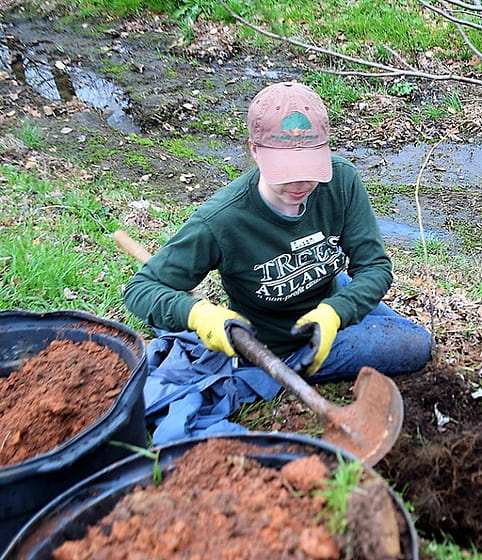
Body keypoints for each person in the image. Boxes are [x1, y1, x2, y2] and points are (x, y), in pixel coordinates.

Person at [124, 81, 432, 442]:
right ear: (255, 150)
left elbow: (375, 267)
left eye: (310, 167)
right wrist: (198, 315)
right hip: (282, 342)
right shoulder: (222, 220)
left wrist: (336, 312)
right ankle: (306, 361)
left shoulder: (341, 180)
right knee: (415, 346)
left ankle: (336, 324)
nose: (300, 183)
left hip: (329, 297)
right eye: (286, 170)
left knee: (418, 340)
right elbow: (140, 289)